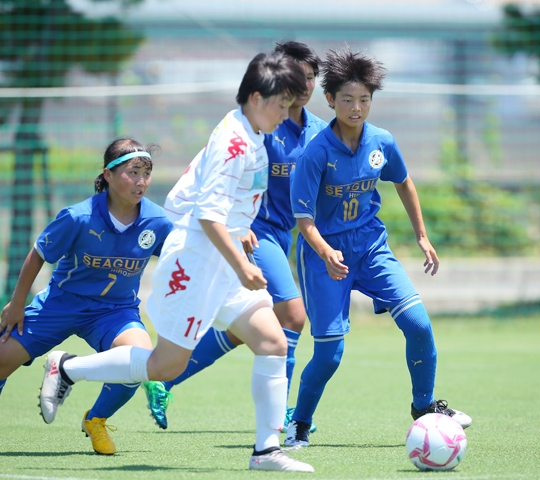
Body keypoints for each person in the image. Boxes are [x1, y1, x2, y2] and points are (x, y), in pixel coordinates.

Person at [38, 52, 314, 473]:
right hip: (199, 264)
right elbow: (206, 213)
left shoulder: (250, 131)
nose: (287, 112)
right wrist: (241, 263)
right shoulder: (234, 143)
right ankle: (69, 368)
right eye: (283, 103)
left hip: (220, 260)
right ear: (257, 98)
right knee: (164, 366)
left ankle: (266, 450)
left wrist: (239, 229)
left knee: (272, 342)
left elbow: (188, 198)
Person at [283, 45, 472, 448]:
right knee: (330, 355)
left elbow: (403, 181)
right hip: (324, 258)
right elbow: (304, 221)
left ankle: (424, 408)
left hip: (371, 248)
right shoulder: (315, 152)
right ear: (330, 100)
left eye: (364, 99)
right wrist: (325, 252)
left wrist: (421, 235)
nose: (356, 107)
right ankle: (299, 422)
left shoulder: (382, 141)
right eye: (347, 99)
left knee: (419, 325)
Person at [140, 40, 327, 435]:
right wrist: (240, 252)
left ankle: (160, 381)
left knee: (245, 335)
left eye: (310, 78)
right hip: (247, 235)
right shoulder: (251, 129)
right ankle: (284, 425)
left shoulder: (315, 133)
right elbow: (214, 194)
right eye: (296, 78)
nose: (304, 85)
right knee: (291, 316)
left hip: (274, 233)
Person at [0, 138, 173, 455]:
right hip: (60, 305)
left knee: (140, 362)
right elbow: (38, 254)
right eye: (133, 172)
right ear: (108, 174)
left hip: (115, 312)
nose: (141, 181)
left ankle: (96, 419)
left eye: (146, 173)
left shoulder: (158, 222)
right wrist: (17, 304)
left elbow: (178, 261)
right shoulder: (78, 216)